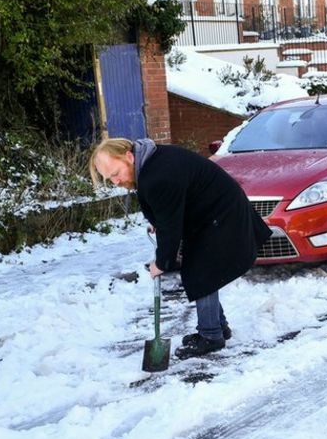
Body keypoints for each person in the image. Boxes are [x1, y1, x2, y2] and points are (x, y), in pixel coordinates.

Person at [89, 138, 272, 357]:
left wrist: (162, 262)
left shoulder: (156, 175)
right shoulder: (151, 162)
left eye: (116, 173)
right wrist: (161, 219)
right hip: (213, 213)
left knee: (201, 272)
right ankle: (217, 327)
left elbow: (170, 227)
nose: (116, 182)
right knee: (201, 272)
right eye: (110, 179)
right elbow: (171, 205)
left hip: (222, 215)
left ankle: (211, 336)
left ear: (129, 156)